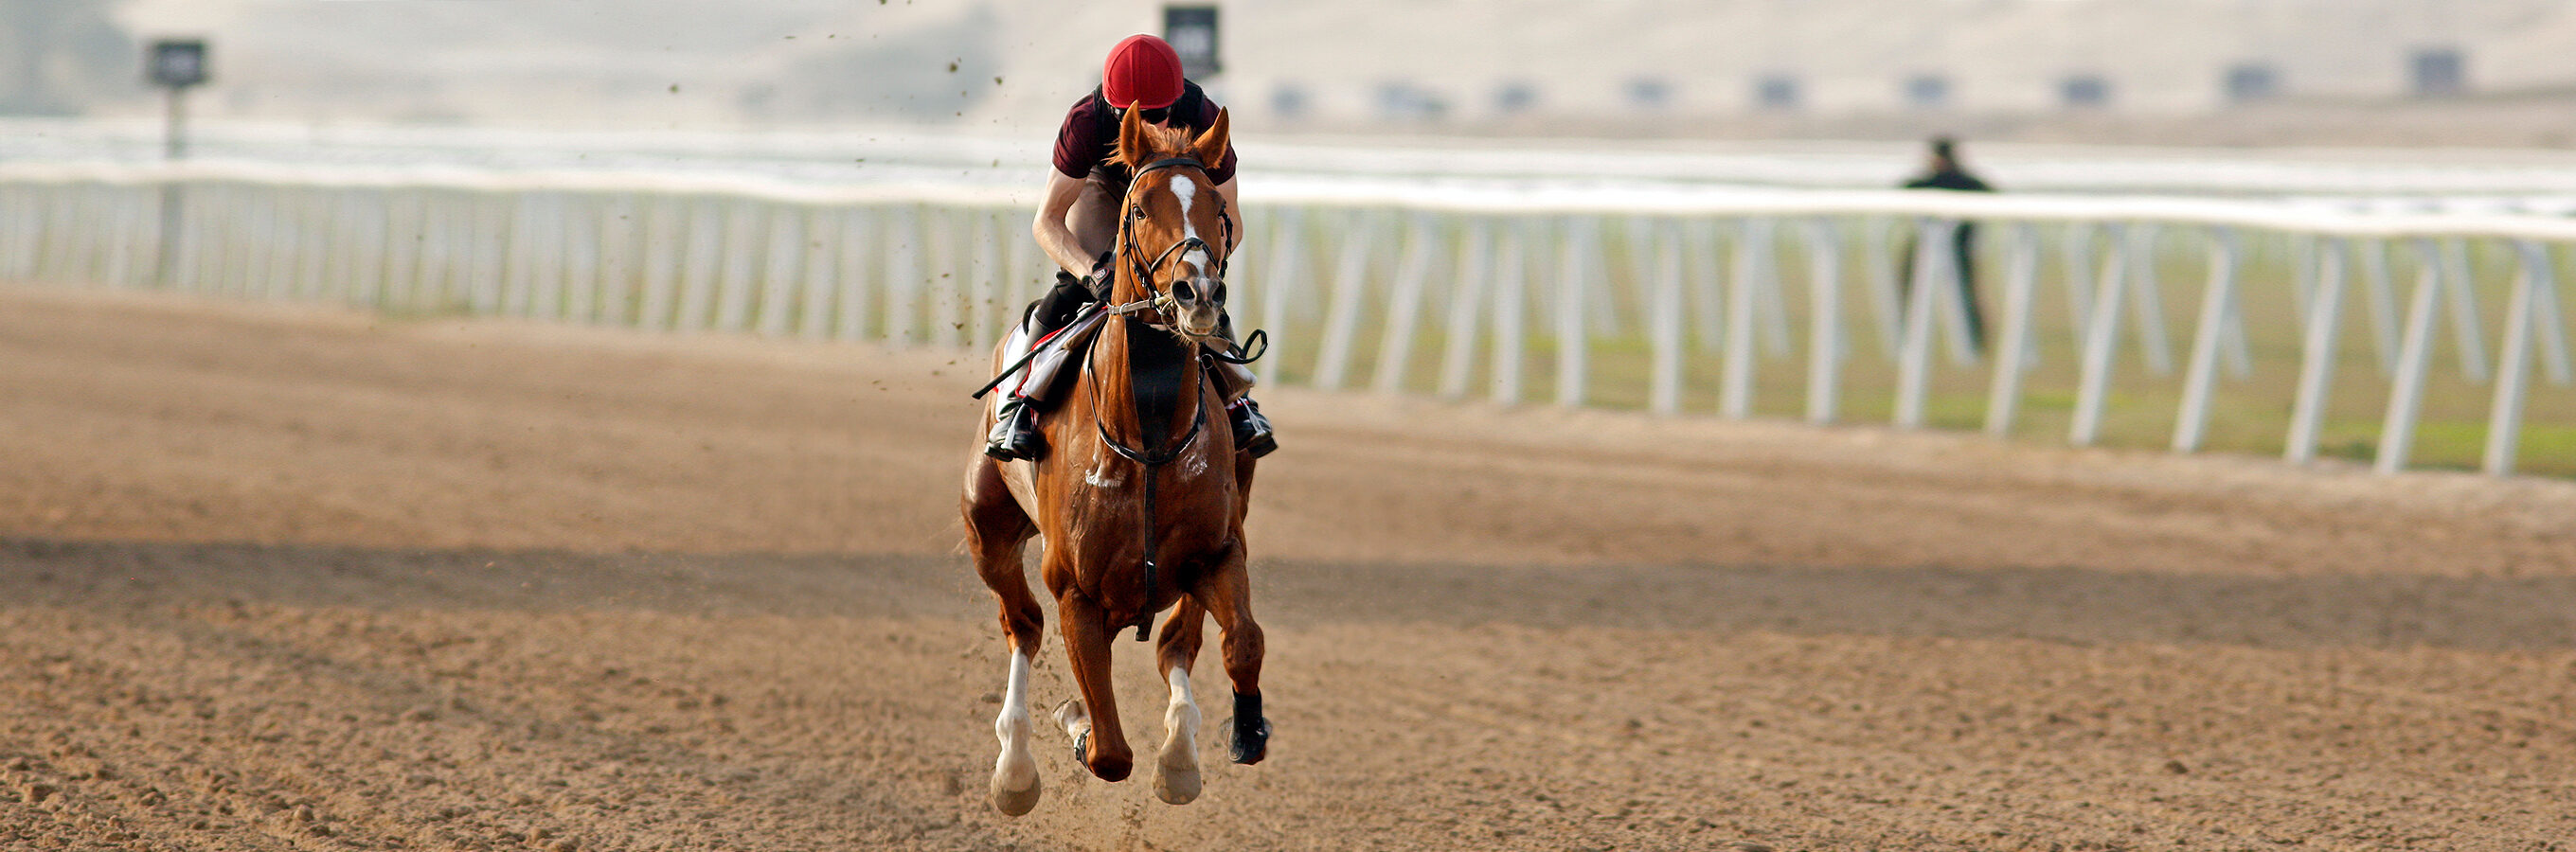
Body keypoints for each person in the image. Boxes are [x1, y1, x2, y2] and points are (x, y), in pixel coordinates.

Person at [985, 33, 1275, 462]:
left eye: (1162, 114)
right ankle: (1020, 404)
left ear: (1178, 102)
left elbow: (1230, 220)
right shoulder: (1085, 122)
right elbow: (1046, 222)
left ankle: (1238, 401)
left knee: (1201, 296)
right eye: (1140, 116)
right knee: (1072, 292)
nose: (1153, 126)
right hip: (1104, 189)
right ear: (1115, 109)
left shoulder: (1203, 116)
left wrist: (1196, 272)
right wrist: (1093, 272)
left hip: (1175, 194)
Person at [1899, 136, 1995, 353]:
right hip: (1923, 246)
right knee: (1911, 292)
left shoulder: (1965, 183)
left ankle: (1973, 341)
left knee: (1965, 295)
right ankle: (1910, 339)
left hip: (1959, 247)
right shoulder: (1929, 183)